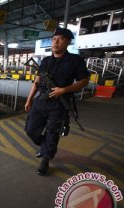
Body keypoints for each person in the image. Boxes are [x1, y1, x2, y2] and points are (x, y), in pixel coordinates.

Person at [24, 27, 90, 176]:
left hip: (59, 104)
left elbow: (84, 81)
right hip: (41, 101)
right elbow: (37, 81)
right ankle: (44, 145)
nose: (56, 41)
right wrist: (29, 100)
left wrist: (64, 90)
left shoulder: (76, 60)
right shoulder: (46, 61)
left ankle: (45, 160)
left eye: (60, 39)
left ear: (68, 42)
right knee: (30, 129)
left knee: (52, 133)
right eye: (54, 39)